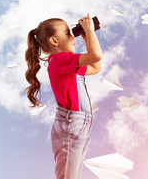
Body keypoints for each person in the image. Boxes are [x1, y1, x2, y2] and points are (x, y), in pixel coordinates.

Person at [25, 13, 102, 179]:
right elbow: (96, 56)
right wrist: (89, 31)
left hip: (78, 126)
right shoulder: (60, 60)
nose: (73, 36)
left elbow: (96, 67)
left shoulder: (66, 62)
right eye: (68, 33)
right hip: (71, 126)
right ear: (54, 41)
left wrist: (87, 40)